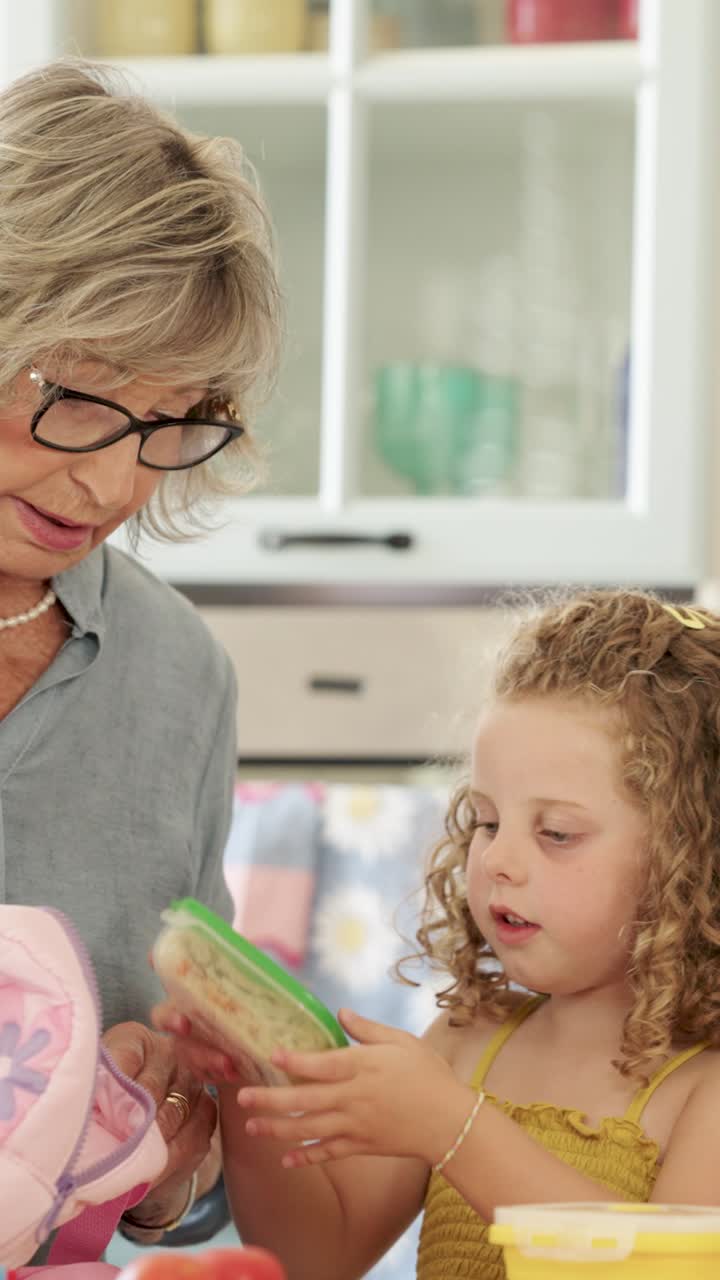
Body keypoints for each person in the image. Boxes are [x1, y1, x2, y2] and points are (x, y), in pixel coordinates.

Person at [156, 589, 720, 1279]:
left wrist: (456, 1130)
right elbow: (314, 1258)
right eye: (486, 821)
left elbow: (667, 1272)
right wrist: (250, 1088)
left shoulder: (703, 1086)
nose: (499, 860)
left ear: (695, 857)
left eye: (557, 833)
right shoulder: (471, 1041)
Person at [0, 56, 280, 1246]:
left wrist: (168, 1156)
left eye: (171, 427)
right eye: (74, 399)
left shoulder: (178, 676)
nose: (111, 481)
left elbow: (198, 1173)